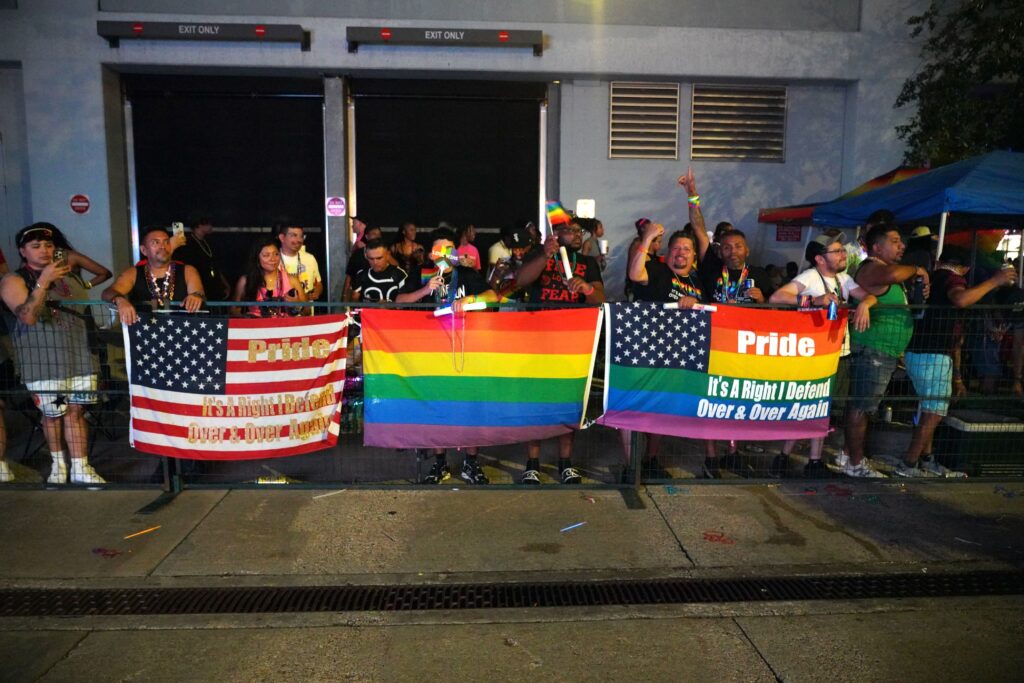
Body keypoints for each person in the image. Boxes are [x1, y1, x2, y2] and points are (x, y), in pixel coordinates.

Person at [897, 247, 1017, 477]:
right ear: (964, 268)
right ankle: (909, 463)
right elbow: (961, 299)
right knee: (934, 413)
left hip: (918, 352)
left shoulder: (930, 278)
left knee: (928, 409)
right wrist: (995, 281)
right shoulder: (951, 278)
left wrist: (958, 375)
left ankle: (926, 460)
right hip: (933, 354)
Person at [0, 223, 105, 484]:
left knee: (77, 411)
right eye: (36, 246)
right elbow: (27, 317)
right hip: (44, 362)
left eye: (48, 245)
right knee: (53, 413)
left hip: (79, 356)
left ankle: (81, 466)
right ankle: (58, 465)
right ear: (23, 251)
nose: (44, 251)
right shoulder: (14, 279)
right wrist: (43, 282)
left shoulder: (69, 276)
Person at [768, 233, 877, 477]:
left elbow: (869, 296)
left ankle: (798, 459)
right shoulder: (810, 277)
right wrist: (812, 300)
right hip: (815, 356)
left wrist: (864, 305)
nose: (842, 255)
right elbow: (777, 297)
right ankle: (800, 459)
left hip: (838, 353)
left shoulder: (844, 278)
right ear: (819, 258)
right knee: (810, 407)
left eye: (842, 250)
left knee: (822, 408)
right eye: (836, 251)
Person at [396, 227, 498, 485]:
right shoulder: (421, 273)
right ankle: (440, 463)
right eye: (439, 249)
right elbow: (399, 301)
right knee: (437, 407)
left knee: (470, 405)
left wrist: (471, 300)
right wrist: (424, 290)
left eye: (449, 249)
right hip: (433, 351)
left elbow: (493, 297)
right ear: (431, 254)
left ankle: (471, 464)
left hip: (467, 349)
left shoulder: (467, 274)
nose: (444, 253)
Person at [689, 180, 774, 477]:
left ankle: (734, 453)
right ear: (720, 251)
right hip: (714, 344)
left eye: (737, 245)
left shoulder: (761, 274)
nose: (732, 250)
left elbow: (775, 314)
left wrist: (763, 301)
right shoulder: (712, 268)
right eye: (726, 246)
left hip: (744, 348)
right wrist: (692, 194)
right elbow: (699, 230)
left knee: (737, 400)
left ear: (746, 249)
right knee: (711, 401)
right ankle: (711, 458)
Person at [515, 218, 605, 484]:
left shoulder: (587, 263)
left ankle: (565, 462)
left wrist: (587, 288)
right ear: (557, 234)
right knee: (537, 403)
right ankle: (532, 463)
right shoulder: (539, 255)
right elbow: (521, 280)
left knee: (569, 403)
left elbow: (600, 297)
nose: (577, 235)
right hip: (538, 341)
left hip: (572, 344)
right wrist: (544, 254)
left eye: (580, 231)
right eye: (571, 231)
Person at [843, 222, 930, 478]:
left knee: (861, 405)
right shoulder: (872, 269)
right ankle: (855, 463)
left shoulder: (888, 270)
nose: (901, 245)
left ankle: (849, 456)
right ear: (876, 247)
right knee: (862, 406)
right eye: (894, 241)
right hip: (873, 350)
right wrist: (917, 269)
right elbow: (891, 276)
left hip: (883, 351)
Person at [102, 226, 206, 325]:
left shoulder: (188, 270)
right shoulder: (133, 273)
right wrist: (119, 300)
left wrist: (196, 296)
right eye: (155, 242)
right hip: (146, 335)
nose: (163, 246)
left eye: (167, 242)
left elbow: (198, 291)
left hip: (182, 333)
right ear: (144, 250)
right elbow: (107, 293)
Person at [232, 237, 307, 317]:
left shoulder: (292, 280)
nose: (273, 259)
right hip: (257, 328)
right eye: (266, 255)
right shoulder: (245, 281)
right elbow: (233, 310)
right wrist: (248, 319)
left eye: (276, 254)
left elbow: (307, 311)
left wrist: (297, 305)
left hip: (285, 327)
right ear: (257, 258)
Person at [170, 215, 230, 301]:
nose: (211, 226)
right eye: (208, 224)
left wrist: (224, 283)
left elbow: (215, 266)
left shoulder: (208, 242)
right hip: (200, 286)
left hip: (213, 286)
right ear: (199, 225)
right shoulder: (187, 244)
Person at [275, 223, 323, 302]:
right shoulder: (273, 259)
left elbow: (318, 283)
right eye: (294, 235)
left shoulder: (310, 258)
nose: (299, 240)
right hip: (283, 312)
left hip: (307, 311)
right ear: (282, 238)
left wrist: (317, 291)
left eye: (301, 236)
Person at [351, 239, 408, 303]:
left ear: (388, 255)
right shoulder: (361, 275)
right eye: (371, 258)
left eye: (379, 258)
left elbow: (405, 303)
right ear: (366, 256)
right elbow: (353, 301)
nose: (375, 262)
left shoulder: (400, 274)